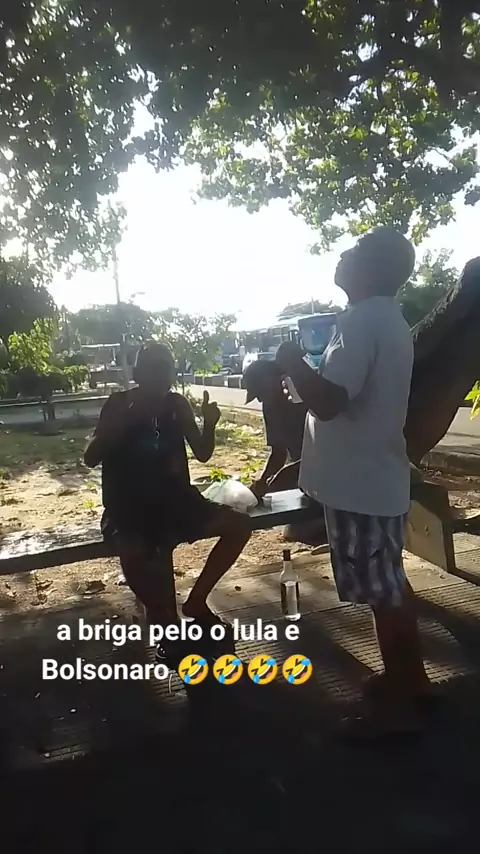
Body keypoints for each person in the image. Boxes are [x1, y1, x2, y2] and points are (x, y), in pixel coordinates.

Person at [275, 227, 431, 738]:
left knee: (384, 594)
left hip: (360, 486)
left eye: (357, 249)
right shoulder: (383, 318)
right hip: (369, 481)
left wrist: (291, 362)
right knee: (389, 584)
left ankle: (399, 707)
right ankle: (410, 680)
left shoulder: (363, 320)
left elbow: (331, 401)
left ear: (375, 268)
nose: (344, 253)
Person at [84, 342, 252, 651]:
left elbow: (203, 453)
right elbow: (90, 457)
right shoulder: (119, 404)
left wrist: (210, 423)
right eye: (153, 369)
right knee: (133, 551)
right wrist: (119, 426)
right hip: (129, 505)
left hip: (177, 500)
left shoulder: (177, 404)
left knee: (239, 525)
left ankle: (196, 601)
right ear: (137, 374)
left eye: (166, 369)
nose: (160, 377)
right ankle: (163, 617)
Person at [243, 360, 306, 497]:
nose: (260, 400)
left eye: (260, 392)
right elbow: (278, 452)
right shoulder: (270, 408)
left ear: (272, 382)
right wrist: (263, 481)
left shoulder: (304, 397)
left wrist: (284, 475)